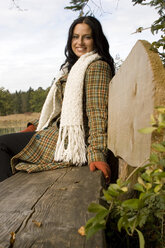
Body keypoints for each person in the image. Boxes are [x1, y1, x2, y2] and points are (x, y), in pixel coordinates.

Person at [0, 16, 115, 183]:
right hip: (56, 133)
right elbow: (58, 109)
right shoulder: (73, 68)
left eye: (87, 37)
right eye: (75, 36)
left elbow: (98, 113)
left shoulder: (97, 66)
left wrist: (97, 154)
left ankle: (5, 197)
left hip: (69, 142)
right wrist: (33, 125)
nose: (80, 42)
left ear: (96, 40)